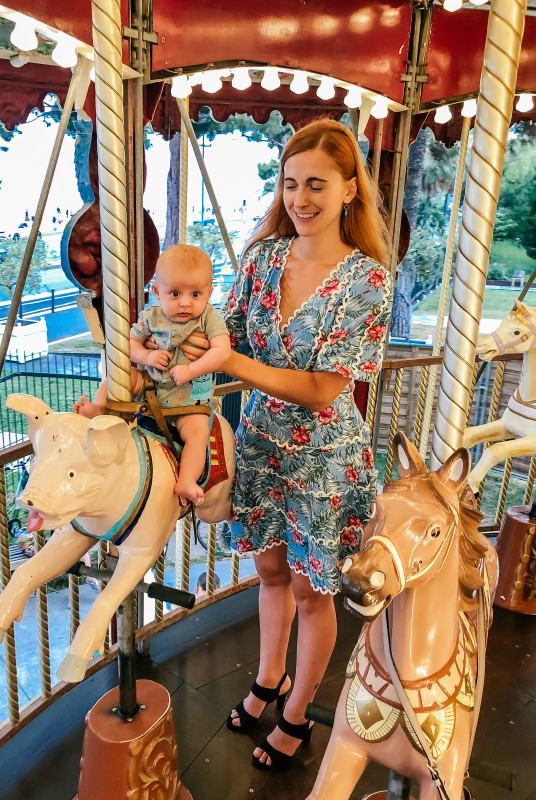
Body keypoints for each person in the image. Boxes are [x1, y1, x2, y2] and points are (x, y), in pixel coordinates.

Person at [176, 119, 392, 770]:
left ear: (350, 189)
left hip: (324, 460)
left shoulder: (367, 284)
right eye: (291, 184)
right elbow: (229, 334)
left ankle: (297, 709)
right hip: (264, 444)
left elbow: (327, 389)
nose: (301, 198)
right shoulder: (264, 258)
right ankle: (269, 676)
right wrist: (164, 346)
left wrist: (233, 365)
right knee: (268, 573)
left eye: (317, 185)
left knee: (310, 591)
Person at [76, 244, 231, 505]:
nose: (185, 302)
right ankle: (99, 408)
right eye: (175, 293)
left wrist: (192, 369)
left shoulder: (208, 317)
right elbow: (128, 344)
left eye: (195, 294)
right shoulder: (152, 316)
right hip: (151, 389)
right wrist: (146, 357)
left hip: (189, 402)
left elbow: (222, 351)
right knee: (120, 371)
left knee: (196, 435)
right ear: (157, 292)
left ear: (209, 293)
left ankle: (186, 480)